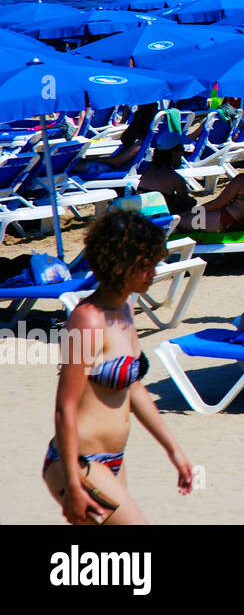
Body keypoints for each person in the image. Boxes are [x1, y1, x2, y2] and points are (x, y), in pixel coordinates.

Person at [44, 211, 194, 524]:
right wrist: (72, 484)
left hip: (113, 460)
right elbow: (64, 408)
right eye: (145, 264)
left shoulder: (125, 308)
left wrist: (174, 450)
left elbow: (133, 387)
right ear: (120, 264)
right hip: (78, 463)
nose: (154, 272)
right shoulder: (87, 320)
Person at [179, 141, 244, 233]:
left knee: (180, 222)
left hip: (227, 222)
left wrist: (193, 211)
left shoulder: (243, 180)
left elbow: (217, 204)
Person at [134, 130, 195, 215]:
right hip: (158, 218)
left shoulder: (148, 170)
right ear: (173, 152)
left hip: (141, 213)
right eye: (181, 149)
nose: (183, 152)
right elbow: (186, 202)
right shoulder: (175, 178)